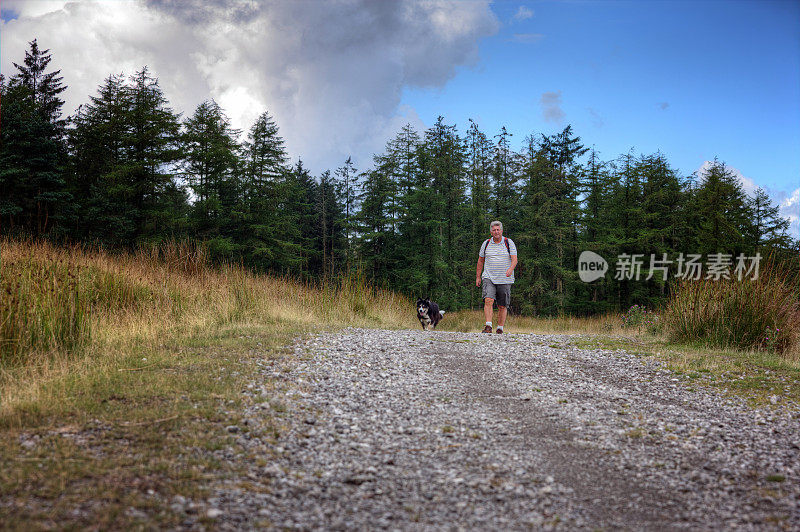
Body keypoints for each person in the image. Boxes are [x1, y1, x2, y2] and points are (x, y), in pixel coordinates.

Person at [476, 221, 517, 333]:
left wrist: (510, 269)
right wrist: (478, 277)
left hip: (504, 278)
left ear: (501, 231)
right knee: (488, 300)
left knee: (502, 305)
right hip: (489, 277)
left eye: (498, 230)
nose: (496, 232)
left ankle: (500, 328)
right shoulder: (486, 244)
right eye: (494, 230)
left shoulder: (509, 242)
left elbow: (514, 259)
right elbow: (480, 261)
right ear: (491, 232)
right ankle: (488, 326)